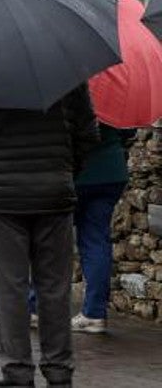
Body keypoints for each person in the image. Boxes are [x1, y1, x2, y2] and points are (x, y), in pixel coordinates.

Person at [0, 85, 98, 388]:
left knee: (8, 290)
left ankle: (17, 371)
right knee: (55, 288)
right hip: (53, 195)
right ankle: (59, 370)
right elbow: (88, 135)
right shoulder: (66, 75)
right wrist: (64, 172)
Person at [67, 123, 134, 333]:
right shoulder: (112, 91)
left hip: (74, 172)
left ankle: (36, 308)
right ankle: (94, 313)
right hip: (110, 171)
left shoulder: (61, 92)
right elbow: (128, 130)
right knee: (96, 240)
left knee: (51, 240)